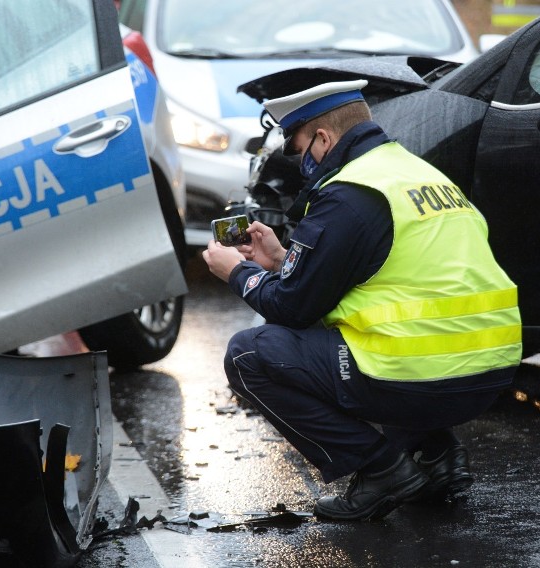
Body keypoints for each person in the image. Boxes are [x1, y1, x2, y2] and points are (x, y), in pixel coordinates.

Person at [202, 79, 522, 521]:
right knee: (365, 331)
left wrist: (237, 272)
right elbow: (381, 275)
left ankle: (382, 470)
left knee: (248, 354)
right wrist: (279, 261)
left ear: (324, 138)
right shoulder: (416, 173)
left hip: (422, 375)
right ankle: (437, 457)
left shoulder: (349, 194)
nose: (302, 162)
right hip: (488, 373)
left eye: (300, 149)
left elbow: (293, 308)